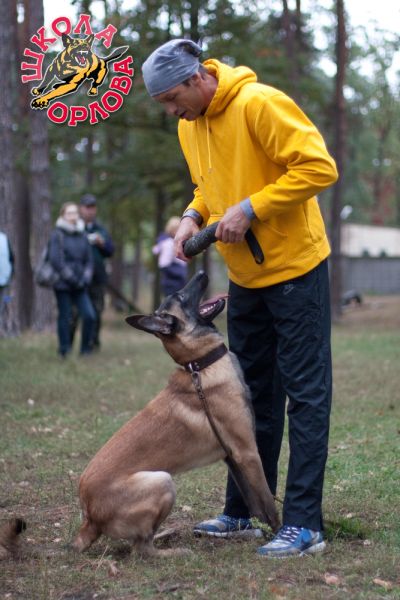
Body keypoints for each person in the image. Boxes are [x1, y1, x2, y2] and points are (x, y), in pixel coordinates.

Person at [142, 39, 338, 558]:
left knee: (305, 395)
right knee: (248, 397)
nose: (170, 112)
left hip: (296, 270)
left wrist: (252, 208)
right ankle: (244, 512)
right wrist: (194, 215)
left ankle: (304, 523)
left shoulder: (259, 103)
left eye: (171, 99)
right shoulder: (190, 126)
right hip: (245, 279)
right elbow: (210, 188)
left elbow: (318, 167)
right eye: (163, 104)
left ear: (196, 79)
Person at [49, 203, 95, 357]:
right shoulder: (57, 235)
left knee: (89, 315)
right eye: (69, 213)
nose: (73, 216)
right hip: (63, 284)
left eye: (75, 212)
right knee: (65, 316)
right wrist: (73, 279)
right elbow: (56, 261)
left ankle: (85, 350)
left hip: (81, 284)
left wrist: (86, 277)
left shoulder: (82, 234)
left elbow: (89, 260)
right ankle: (64, 350)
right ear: (63, 216)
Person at [77, 193, 114, 350]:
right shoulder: (75, 228)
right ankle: (69, 345)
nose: (90, 210)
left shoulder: (101, 229)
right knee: (75, 313)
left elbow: (110, 251)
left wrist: (101, 243)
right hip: (77, 277)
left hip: (97, 278)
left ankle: (93, 342)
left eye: (92, 207)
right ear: (81, 209)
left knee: (96, 311)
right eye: (87, 207)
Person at [153, 216, 188, 296]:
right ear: (172, 230)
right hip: (172, 283)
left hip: (177, 282)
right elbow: (163, 264)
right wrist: (179, 274)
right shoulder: (169, 244)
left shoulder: (174, 242)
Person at [0, 230, 14, 318]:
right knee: (4, 302)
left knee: (6, 299)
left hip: (5, 278)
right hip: (5, 278)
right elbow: (12, 258)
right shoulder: (4, 238)